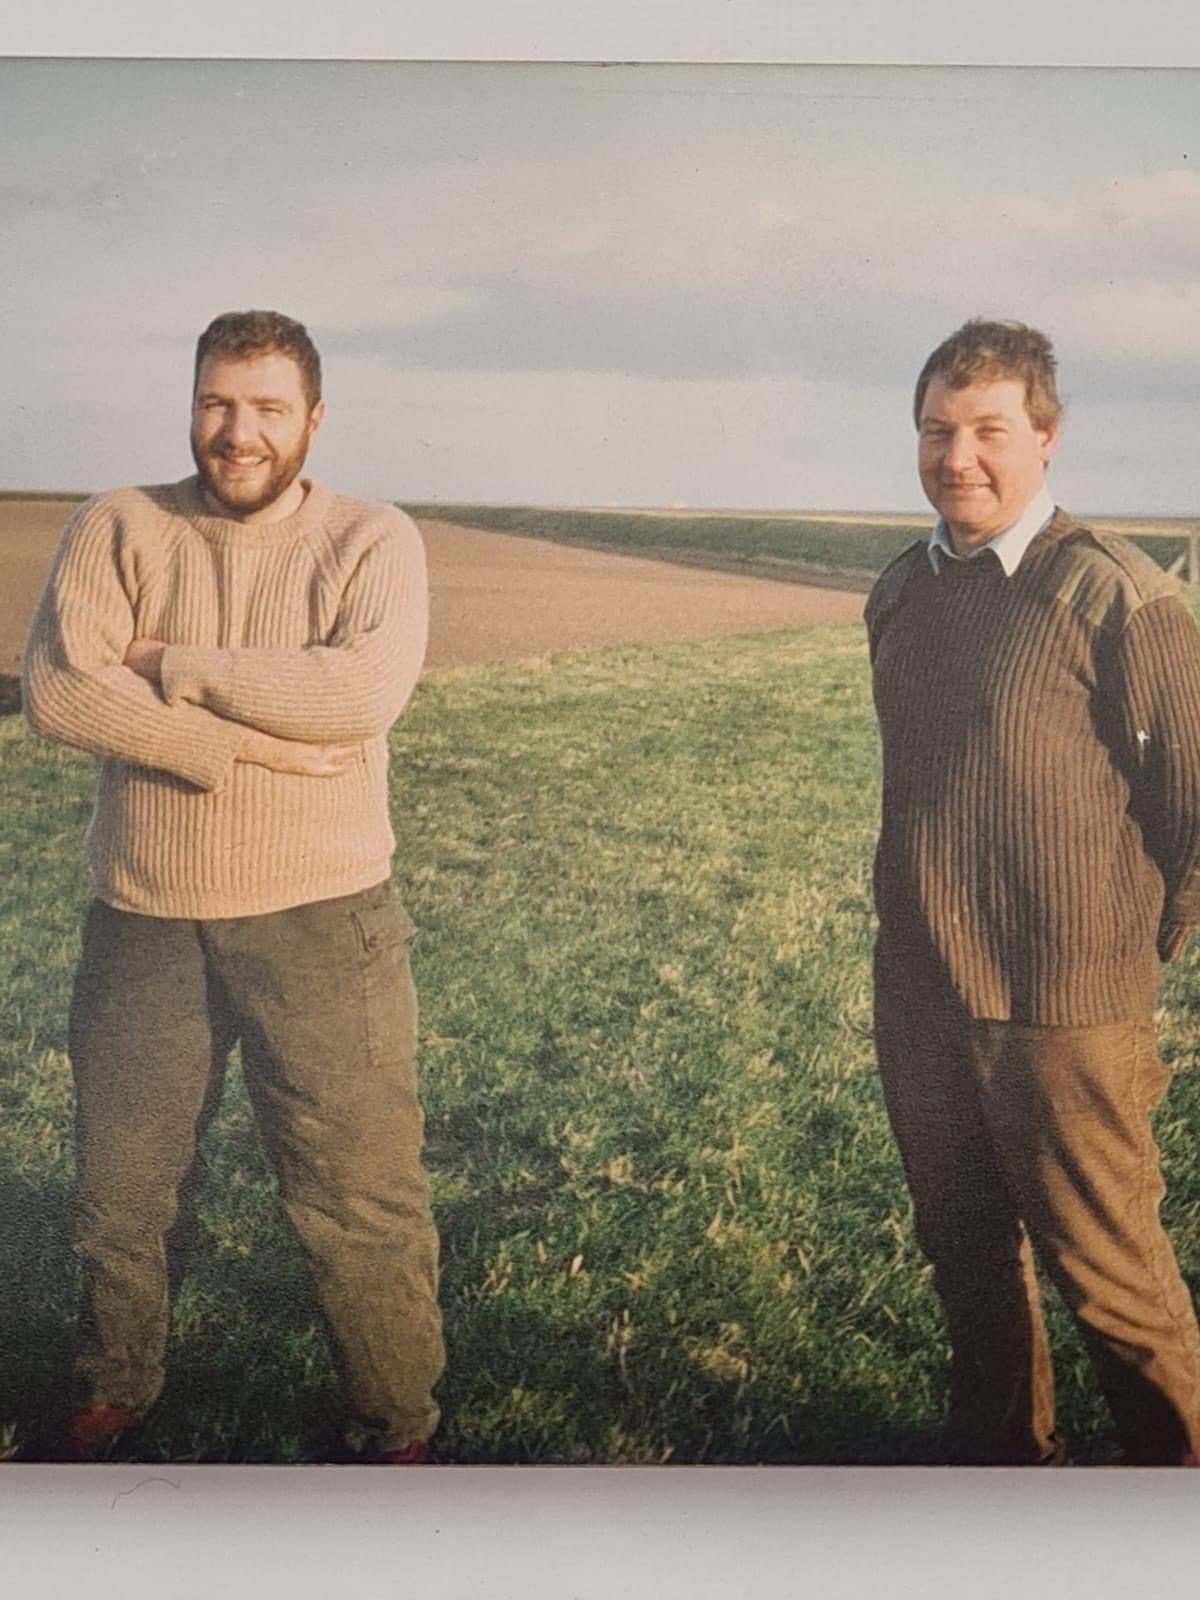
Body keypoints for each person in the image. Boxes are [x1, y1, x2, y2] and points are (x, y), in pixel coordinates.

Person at [22, 308, 444, 1463]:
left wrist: (166, 665)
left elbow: (354, 698)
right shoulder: (119, 523)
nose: (236, 432)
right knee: (121, 1183)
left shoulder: (374, 539)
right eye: (216, 402)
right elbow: (58, 694)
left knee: (356, 1190)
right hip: (143, 915)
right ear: (191, 405)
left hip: (322, 915)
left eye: (265, 407)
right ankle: (111, 1386)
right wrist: (243, 746)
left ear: (314, 419)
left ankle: (394, 1417)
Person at [865, 317, 1200, 1465]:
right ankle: (1003, 1479)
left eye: (989, 431)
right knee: (964, 1258)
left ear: (1047, 439)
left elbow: (1193, 801)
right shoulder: (901, 592)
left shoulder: (1116, 598)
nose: (959, 457)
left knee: (1113, 1286)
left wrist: (1126, 962)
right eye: (936, 431)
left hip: (1065, 1016)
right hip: (920, 998)